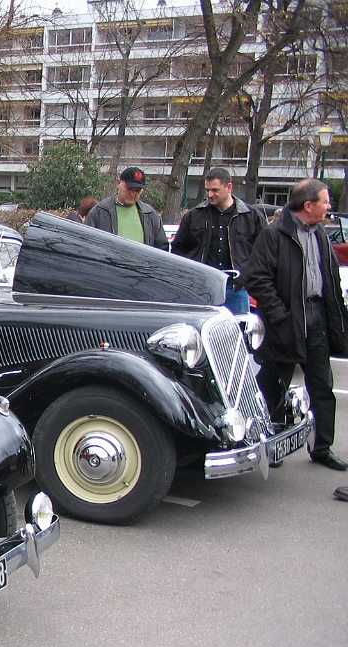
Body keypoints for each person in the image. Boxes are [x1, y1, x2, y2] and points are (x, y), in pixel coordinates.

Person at [241, 178, 348, 471]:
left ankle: (322, 447)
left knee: (322, 386)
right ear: (308, 205)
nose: (329, 206)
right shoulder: (274, 234)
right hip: (284, 324)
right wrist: (279, 316)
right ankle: (270, 445)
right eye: (326, 201)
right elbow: (256, 278)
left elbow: (331, 283)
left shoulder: (322, 236)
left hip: (317, 322)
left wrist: (337, 319)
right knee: (273, 387)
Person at [171, 167, 267, 314]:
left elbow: (264, 253)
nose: (210, 194)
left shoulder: (252, 217)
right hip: (202, 288)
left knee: (238, 333)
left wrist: (249, 278)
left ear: (229, 187)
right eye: (207, 190)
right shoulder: (193, 216)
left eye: (215, 190)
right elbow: (178, 250)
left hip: (236, 287)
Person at [85, 166, 169, 250]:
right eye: (129, 188)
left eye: (137, 190)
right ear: (118, 183)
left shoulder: (151, 215)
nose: (132, 194)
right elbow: (86, 245)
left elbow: (162, 248)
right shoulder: (100, 212)